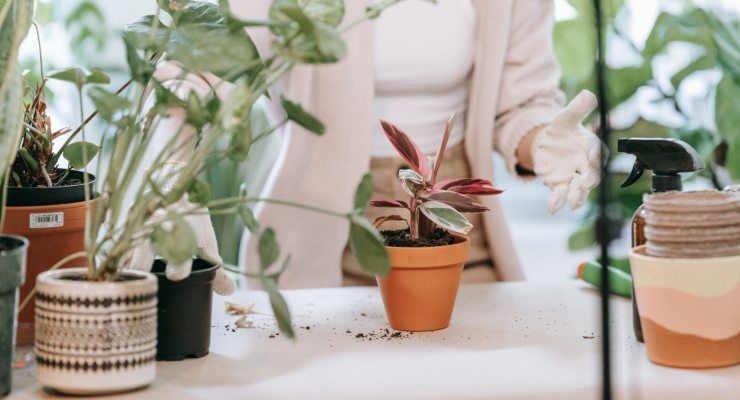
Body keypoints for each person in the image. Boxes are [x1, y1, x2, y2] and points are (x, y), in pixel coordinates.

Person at [149, 0, 602, 288]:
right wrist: (171, 154)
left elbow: (522, 103)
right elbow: (207, 62)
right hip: (322, 243)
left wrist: (545, 141)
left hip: (462, 241)